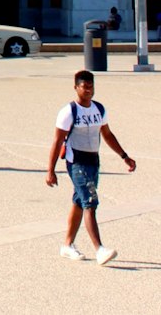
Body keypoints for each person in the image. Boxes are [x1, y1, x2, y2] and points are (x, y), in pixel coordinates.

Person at [47, 68, 136, 264]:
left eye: (90, 87)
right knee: (90, 202)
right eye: (84, 87)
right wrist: (50, 170)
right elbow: (57, 140)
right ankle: (99, 249)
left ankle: (67, 246)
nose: (88, 90)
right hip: (76, 162)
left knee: (79, 201)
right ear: (75, 88)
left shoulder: (99, 109)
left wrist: (124, 156)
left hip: (93, 162)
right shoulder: (68, 111)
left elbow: (107, 134)